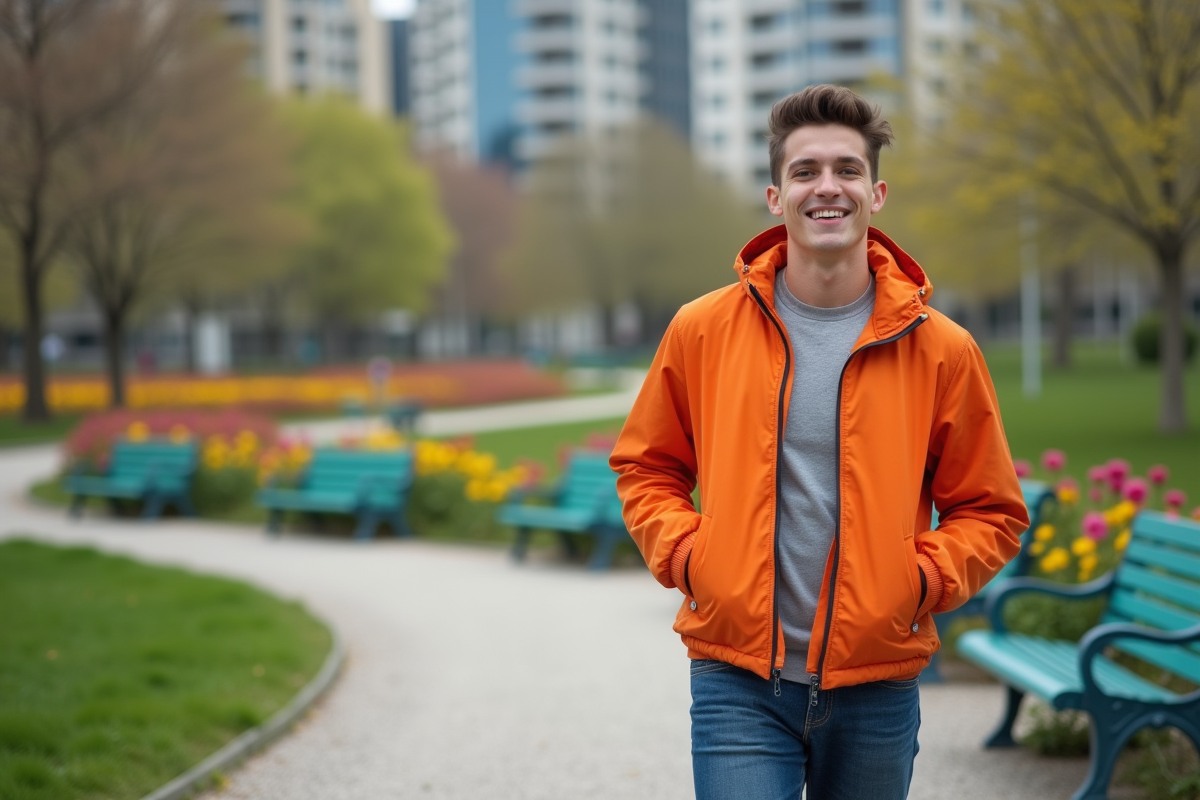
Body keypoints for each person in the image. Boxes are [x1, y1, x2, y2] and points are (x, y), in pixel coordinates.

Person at [609, 84, 1030, 800]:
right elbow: (646, 466)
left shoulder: (942, 350)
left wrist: (918, 581)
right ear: (776, 196)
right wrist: (690, 556)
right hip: (736, 679)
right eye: (805, 171)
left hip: (877, 682)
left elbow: (992, 510)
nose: (826, 187)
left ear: (877, 192)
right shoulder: (702, 330)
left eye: (846, 169)